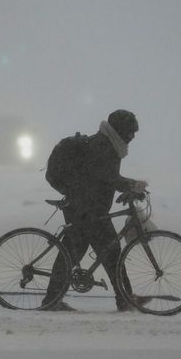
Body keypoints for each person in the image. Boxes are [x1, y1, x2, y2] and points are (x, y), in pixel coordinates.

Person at [42, 109, 148, 312]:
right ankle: (124, 299)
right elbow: (107, 176)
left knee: (89, 254)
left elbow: (104, 179)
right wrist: (131, 185)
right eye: (131, 132)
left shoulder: (109, 144)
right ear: (121, 130)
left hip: (89, 208)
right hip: (86, 210)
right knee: (99, 254)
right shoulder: (103, 146)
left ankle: (124, 298)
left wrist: (127, 187)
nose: (133, 137)